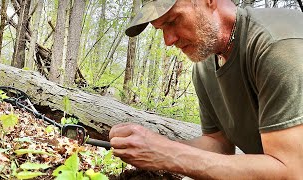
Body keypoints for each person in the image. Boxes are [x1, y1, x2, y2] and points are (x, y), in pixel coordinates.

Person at [109, 0, 303, 178]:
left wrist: (168, 153)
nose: (168, 40)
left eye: (173, 20)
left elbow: (291, 171)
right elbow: (218, 144)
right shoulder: (205, 68)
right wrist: (153, 147)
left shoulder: (277, 45)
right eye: (160, 29)